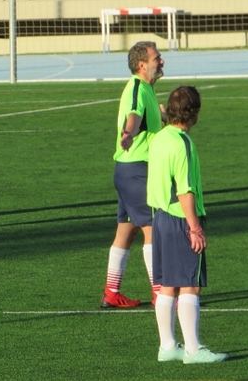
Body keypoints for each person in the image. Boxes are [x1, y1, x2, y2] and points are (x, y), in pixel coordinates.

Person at [147, 86, 227, 364]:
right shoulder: (182, 143)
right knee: (190, 286)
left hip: (160, 218)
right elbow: (185, 189)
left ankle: (167, 346)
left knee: (168, 285)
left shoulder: (159, 138)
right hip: (181, 218)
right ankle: (193, 350)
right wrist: (195, 227)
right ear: (193, 114)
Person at [101, 41, 164, 308]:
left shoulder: (146, 88)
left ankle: (111, 292)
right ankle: (160, 292)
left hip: (127, 170)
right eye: (157, 58)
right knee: (153, 229)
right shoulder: (138, 87)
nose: (161, 62)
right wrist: (129, 134)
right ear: (142, 64)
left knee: (125, 231)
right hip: (137, 169)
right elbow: (134, 117)